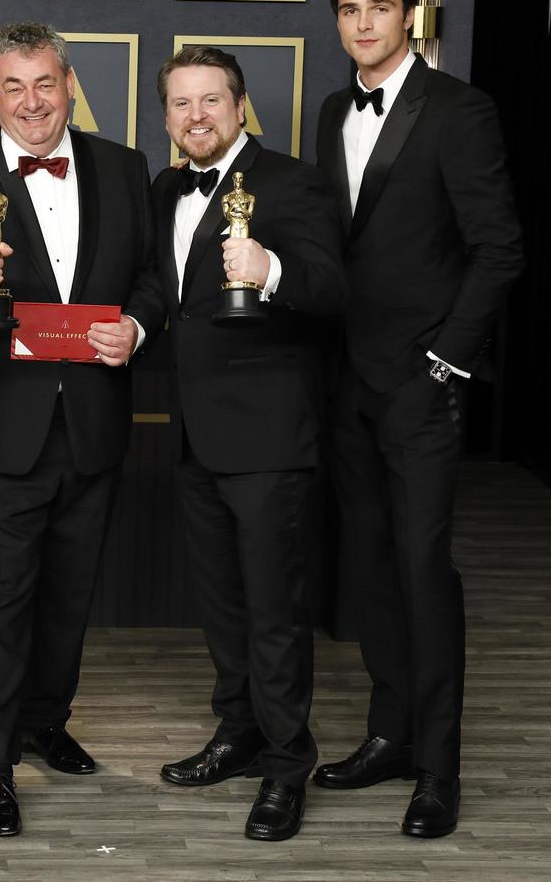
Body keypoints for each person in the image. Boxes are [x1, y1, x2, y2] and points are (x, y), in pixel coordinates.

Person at [0, 21, 164, 837]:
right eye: (13, 87)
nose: (31, 102)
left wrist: (136, 325)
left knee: (67, 594)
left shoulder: (125, 168)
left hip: (92, 419)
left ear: (69, 85)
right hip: (0, 428)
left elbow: (154, 278)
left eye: (44, 84)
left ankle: (44, 720)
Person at [313, 0, 526, 838]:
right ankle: (390, 733)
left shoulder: (460, 110)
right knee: (368, 571)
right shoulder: (331, 111)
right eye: (350, 10)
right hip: (346, 384)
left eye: (379, 8)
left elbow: (499, 249)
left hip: (421, 387)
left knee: (422, 572)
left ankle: (439, 769)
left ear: (411, 16)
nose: (364, 23)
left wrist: (446, 362)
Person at [150, 47, 346, 842]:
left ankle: (287, 766)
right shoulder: (163, 188)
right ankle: (239, 731)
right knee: (224, 607)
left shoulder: (294, 182)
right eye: (181, 103)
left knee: (274, 612)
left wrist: (270, 268)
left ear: (240, 107)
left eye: (210, 101)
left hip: (269, 439)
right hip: (194, 433)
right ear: (165, 116)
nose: (196, 116)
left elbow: (334, 292)